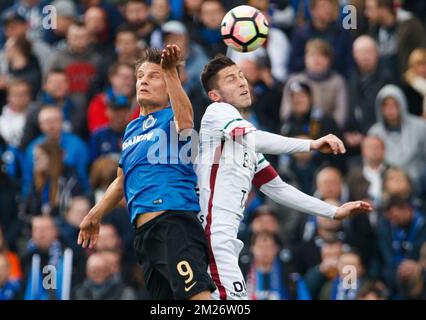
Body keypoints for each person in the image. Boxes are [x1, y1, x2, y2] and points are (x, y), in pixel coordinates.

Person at [196, 54, 372, 300]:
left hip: (220, 242)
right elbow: (256, 138)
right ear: (215, 95)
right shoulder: (217, 112)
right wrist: (311, 144)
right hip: (211, 239)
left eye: (241, 75)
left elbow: (279, 189)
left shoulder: (242, 142)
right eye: (230, 79)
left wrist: (333, 211)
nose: (241, 82)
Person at [78, 46, 216, 300]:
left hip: (173, 222)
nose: (143, 80)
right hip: (144, 233)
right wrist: (94, 214)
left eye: (154, 76)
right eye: (140, 75)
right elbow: (121, 181)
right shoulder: (131, 129)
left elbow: (186, 123)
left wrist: (171, 73)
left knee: (197, 297)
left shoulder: (174, 116)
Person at [368, 84, 426, 183]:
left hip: (417, 179)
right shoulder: (374, 132)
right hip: (385, 181)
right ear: (380, 108)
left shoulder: (420, 127)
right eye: (386, 105)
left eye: (395, 104)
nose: (390, 109)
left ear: (402, 104)